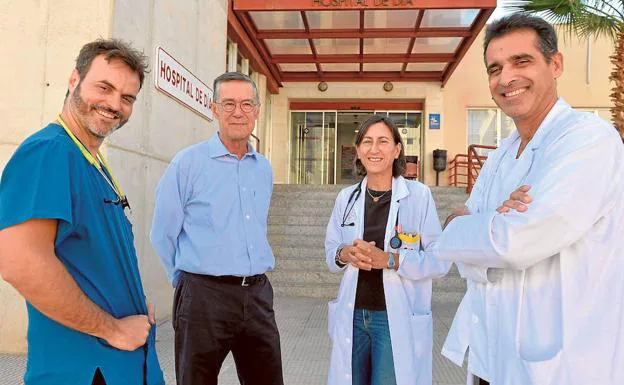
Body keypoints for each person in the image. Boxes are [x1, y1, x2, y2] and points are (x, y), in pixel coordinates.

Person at [432, 14, 624, 385]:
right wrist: (482, 231)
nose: (506, 78)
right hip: (490, 358)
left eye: (521, 61)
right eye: (495, 68)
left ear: (555, 64)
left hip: (563, 365)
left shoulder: (588, 140)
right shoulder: (501, 154)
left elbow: (513, 243)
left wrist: (463, 227)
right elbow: (468, 256)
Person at [0, 39, 164, 385]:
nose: (114, 104)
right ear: (74, 79)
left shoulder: (92, 162)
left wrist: (135, 300)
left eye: (127, 97)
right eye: (104, 87)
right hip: (85, 370)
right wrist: (113, 329)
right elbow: (19, 263)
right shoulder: (49, 153)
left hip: (123, 365)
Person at [150, 72, 283, 385]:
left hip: (257, 295)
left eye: (247, 104)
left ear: (258, 110)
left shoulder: (262, 168)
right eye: (229, 104)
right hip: (202, 297)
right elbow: (162, 233)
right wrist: (185, 282)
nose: (239, 112)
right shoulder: (188, 163)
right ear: (213, 109)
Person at [324, 115, 451, 385]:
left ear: (396, 150)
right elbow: (331, 252)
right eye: (367, 142)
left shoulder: (418, 196)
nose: (374, 149)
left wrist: (392, 260)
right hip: (354, 314)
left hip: (394, 317)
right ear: (358, 151)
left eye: (383, 141)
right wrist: (346, 253)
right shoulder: (346, 198)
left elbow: (440, 261)